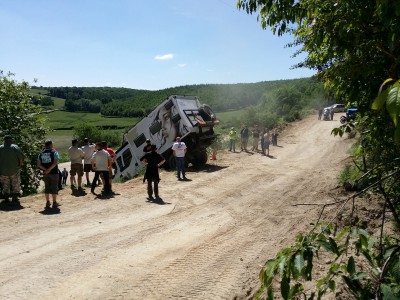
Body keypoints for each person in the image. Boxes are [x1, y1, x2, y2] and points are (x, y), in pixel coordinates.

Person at [0, 135, 24, 204]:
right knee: (15, 183)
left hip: (3, 170)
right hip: (14, 169)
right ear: (11, 140)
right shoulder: (15, 147)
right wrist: (19, 165)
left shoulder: (0, 148)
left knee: (5, 184)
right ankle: (15, 198)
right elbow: (20, 158)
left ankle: (6, 198)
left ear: (4, 140)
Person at [37, 140, 60, 209]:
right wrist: (49, 169)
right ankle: (54, 202)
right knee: (54, 187)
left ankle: (47, 202)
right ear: (50, 145)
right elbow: (55, 163)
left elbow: (38, 165)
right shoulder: (54, 152)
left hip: (45, 173)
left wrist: (45, 170)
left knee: (47, 187)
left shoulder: (40, 154)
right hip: (54, 172)